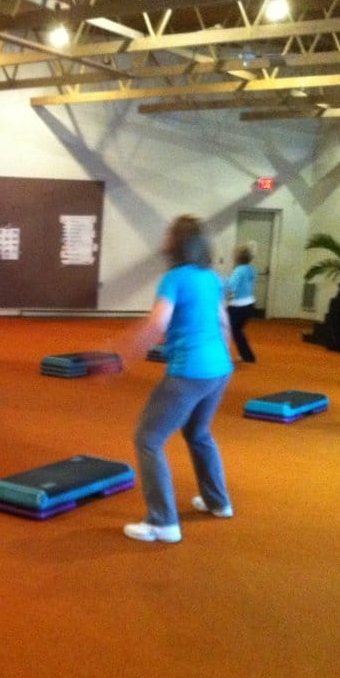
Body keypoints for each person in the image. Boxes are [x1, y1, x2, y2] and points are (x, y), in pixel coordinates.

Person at [123, 215, 234, 543]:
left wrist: (125, 355)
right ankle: (218, 502)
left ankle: (163, 523)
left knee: (148, 439)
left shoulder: (173, 279)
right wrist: (219, 361)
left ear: (177, 243)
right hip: (219, 369)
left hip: (190, 371)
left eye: (169, 235)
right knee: (198, 432)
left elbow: (158, 324)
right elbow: (224, 323)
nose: (165, 240)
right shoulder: (212, 278)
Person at [225, 242, 257, 363]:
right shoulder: (251, 269)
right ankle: (248, 356)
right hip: (250, 305)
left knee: (225, 330)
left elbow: (231, 286)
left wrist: (220, 281)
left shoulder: (238, 270)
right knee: (237, 331)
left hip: (238, 306)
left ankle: (222, 357)